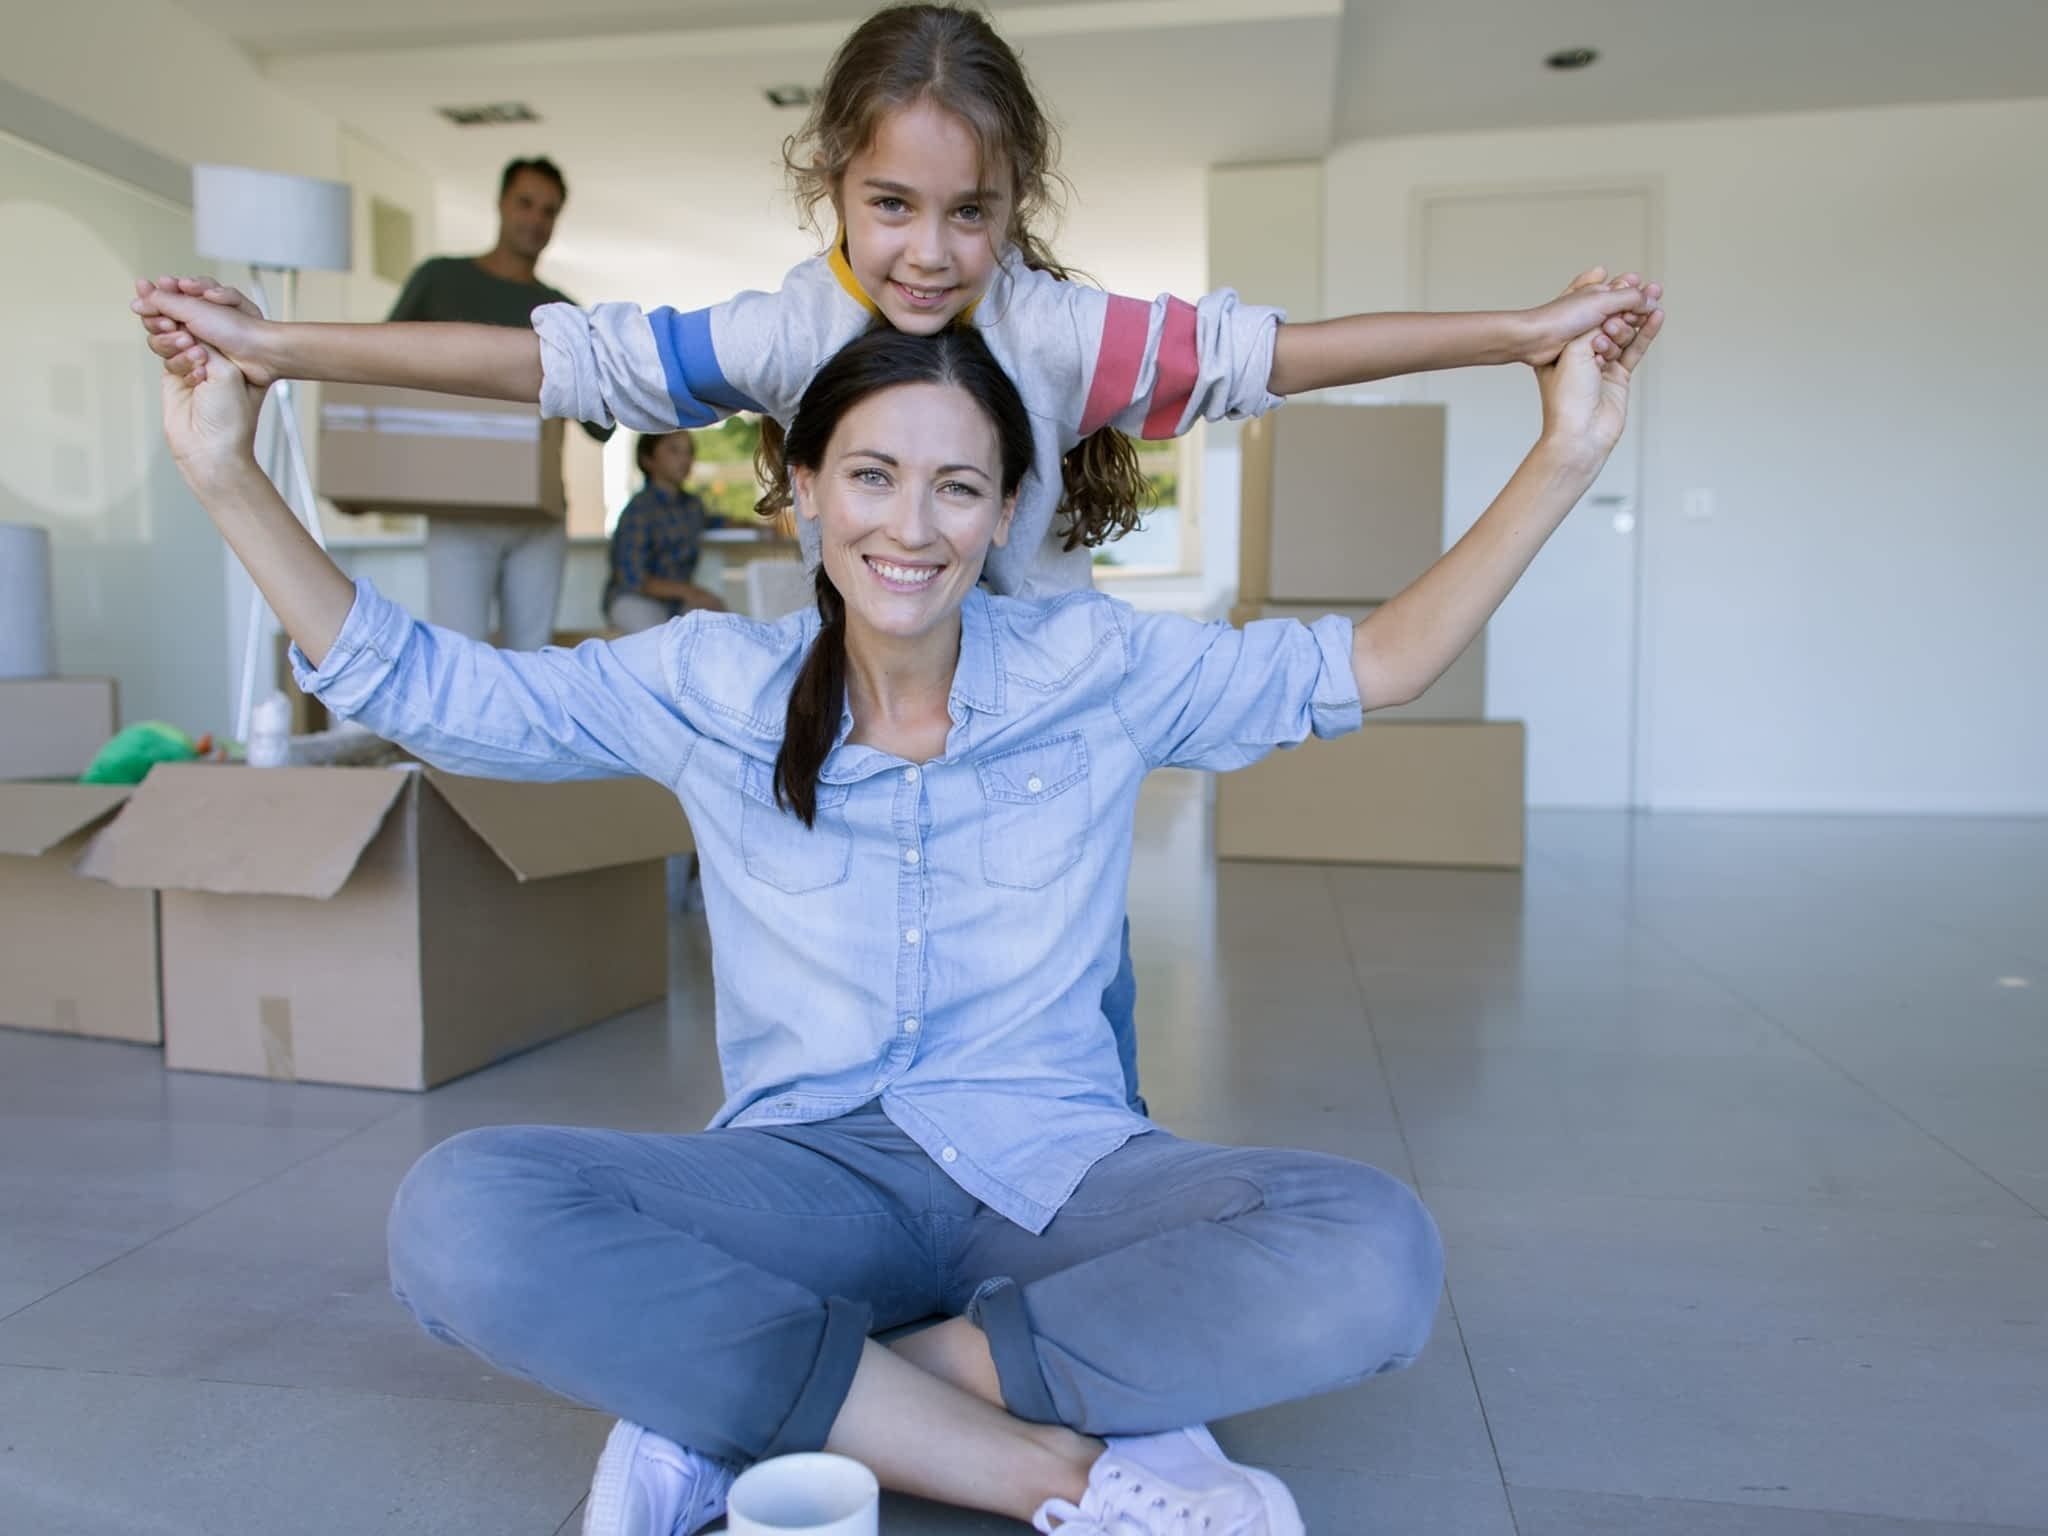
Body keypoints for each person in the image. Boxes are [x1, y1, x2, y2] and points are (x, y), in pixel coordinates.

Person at [152, 282, 1660, 1532]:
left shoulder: (1097, 669)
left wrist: (1568, 454)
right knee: (462, 1215)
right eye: (870, 475)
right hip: (809, 1183)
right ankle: (1045, 1468)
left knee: (1373, 1250)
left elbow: (1375, 665)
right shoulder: (709, 686)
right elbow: (439, 696)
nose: (911, 526)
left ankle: (753, 1404)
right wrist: (229, 469)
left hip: (1061, 1175)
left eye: (957, 485)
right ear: (798, 492)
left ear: (1008, 511)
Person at [131, 3, 1657, 1122]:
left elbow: (1285, 359)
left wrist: (1521, 335)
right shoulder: (793, 329)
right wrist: (278, 348)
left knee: (1066, 1034)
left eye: (970, 214)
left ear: (1013, 209)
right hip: (852, 715)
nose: (928, 253)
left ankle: (1045, 1233)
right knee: (832, 1038)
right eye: (890, 207)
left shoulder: (1057, 333)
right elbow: (548, 365)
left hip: (1033, 739)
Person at [388, 155, 611, 649]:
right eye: (526, 203)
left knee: (531, 661)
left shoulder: (562, 312)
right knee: (456, 654)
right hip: (459, 509)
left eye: (549, 211)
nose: (536, 219)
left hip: (539, 517)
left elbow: (601, 424)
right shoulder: (440, 281)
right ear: (501, 204)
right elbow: (383, 375)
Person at [603, 431, 730, 633]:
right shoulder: (638, 510)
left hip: (678, 602)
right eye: (674, 450)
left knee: (719, 624)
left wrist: (761, 525)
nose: (685, 459)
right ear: (648, 459)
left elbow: (717, 521)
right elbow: (633, 578)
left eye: (689, 452)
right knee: (659, 637)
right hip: (635, 599)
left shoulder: (692, 506)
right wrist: (690, 591)